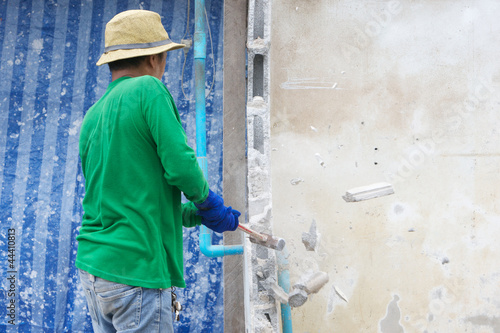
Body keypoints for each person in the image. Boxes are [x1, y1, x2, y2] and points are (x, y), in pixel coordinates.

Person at [76, 10, 239, 333]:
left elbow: (124, 201)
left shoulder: (92, 117)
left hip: (96, 271)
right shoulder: (148, 89)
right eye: (164, 57)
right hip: (137, 269)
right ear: (154, 59)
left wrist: (193, 213)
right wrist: (208, 201)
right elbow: (179, 164)